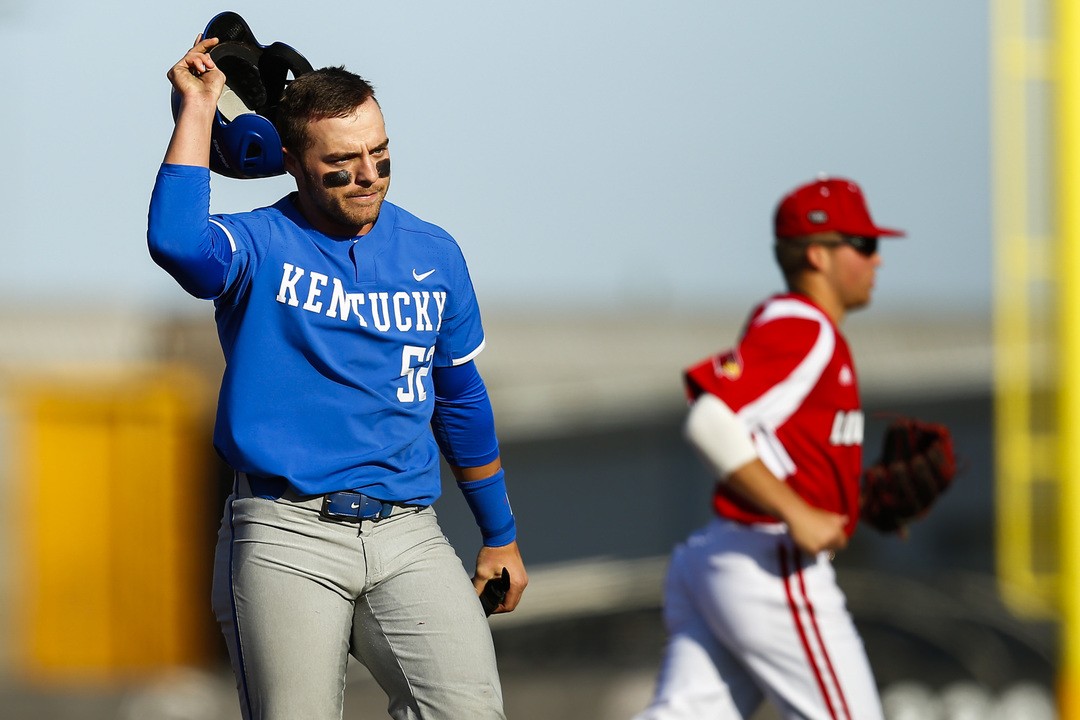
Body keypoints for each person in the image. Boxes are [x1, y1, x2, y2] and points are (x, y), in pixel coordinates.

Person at [148, 35, 527, 720]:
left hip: (409, 534)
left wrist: (498, 535)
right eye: (343, 163)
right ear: (290, 162)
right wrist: (198, 112)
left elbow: (460, 397)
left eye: (380, 155)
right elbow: (178, 244)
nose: (368, 176)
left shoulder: (433, 253)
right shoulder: (260, 244)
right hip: (285, 533)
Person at [633, 176, 904, 720]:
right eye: (865, 245)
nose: (877, 261)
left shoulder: (799, 328)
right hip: (769, 559)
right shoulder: (804, 328)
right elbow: (711, 420)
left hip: (728, 555)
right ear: (819, 256)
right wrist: (798, 511)